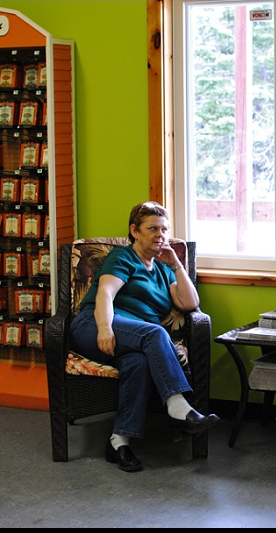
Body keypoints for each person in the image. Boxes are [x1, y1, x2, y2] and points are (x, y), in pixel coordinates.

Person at [70, 201, 219, 472]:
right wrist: (105, 328)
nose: (160, 234)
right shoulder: (123, 257)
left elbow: (189, 303)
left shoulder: (163, 270)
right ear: (134, 231)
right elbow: (105, 294)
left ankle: (119, 441)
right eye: (152, 228)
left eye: (164, 229)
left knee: (138, 363)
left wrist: (176, 264)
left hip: (134, 339)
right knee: (155, 332)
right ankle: (178, 407)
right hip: (94, 324)